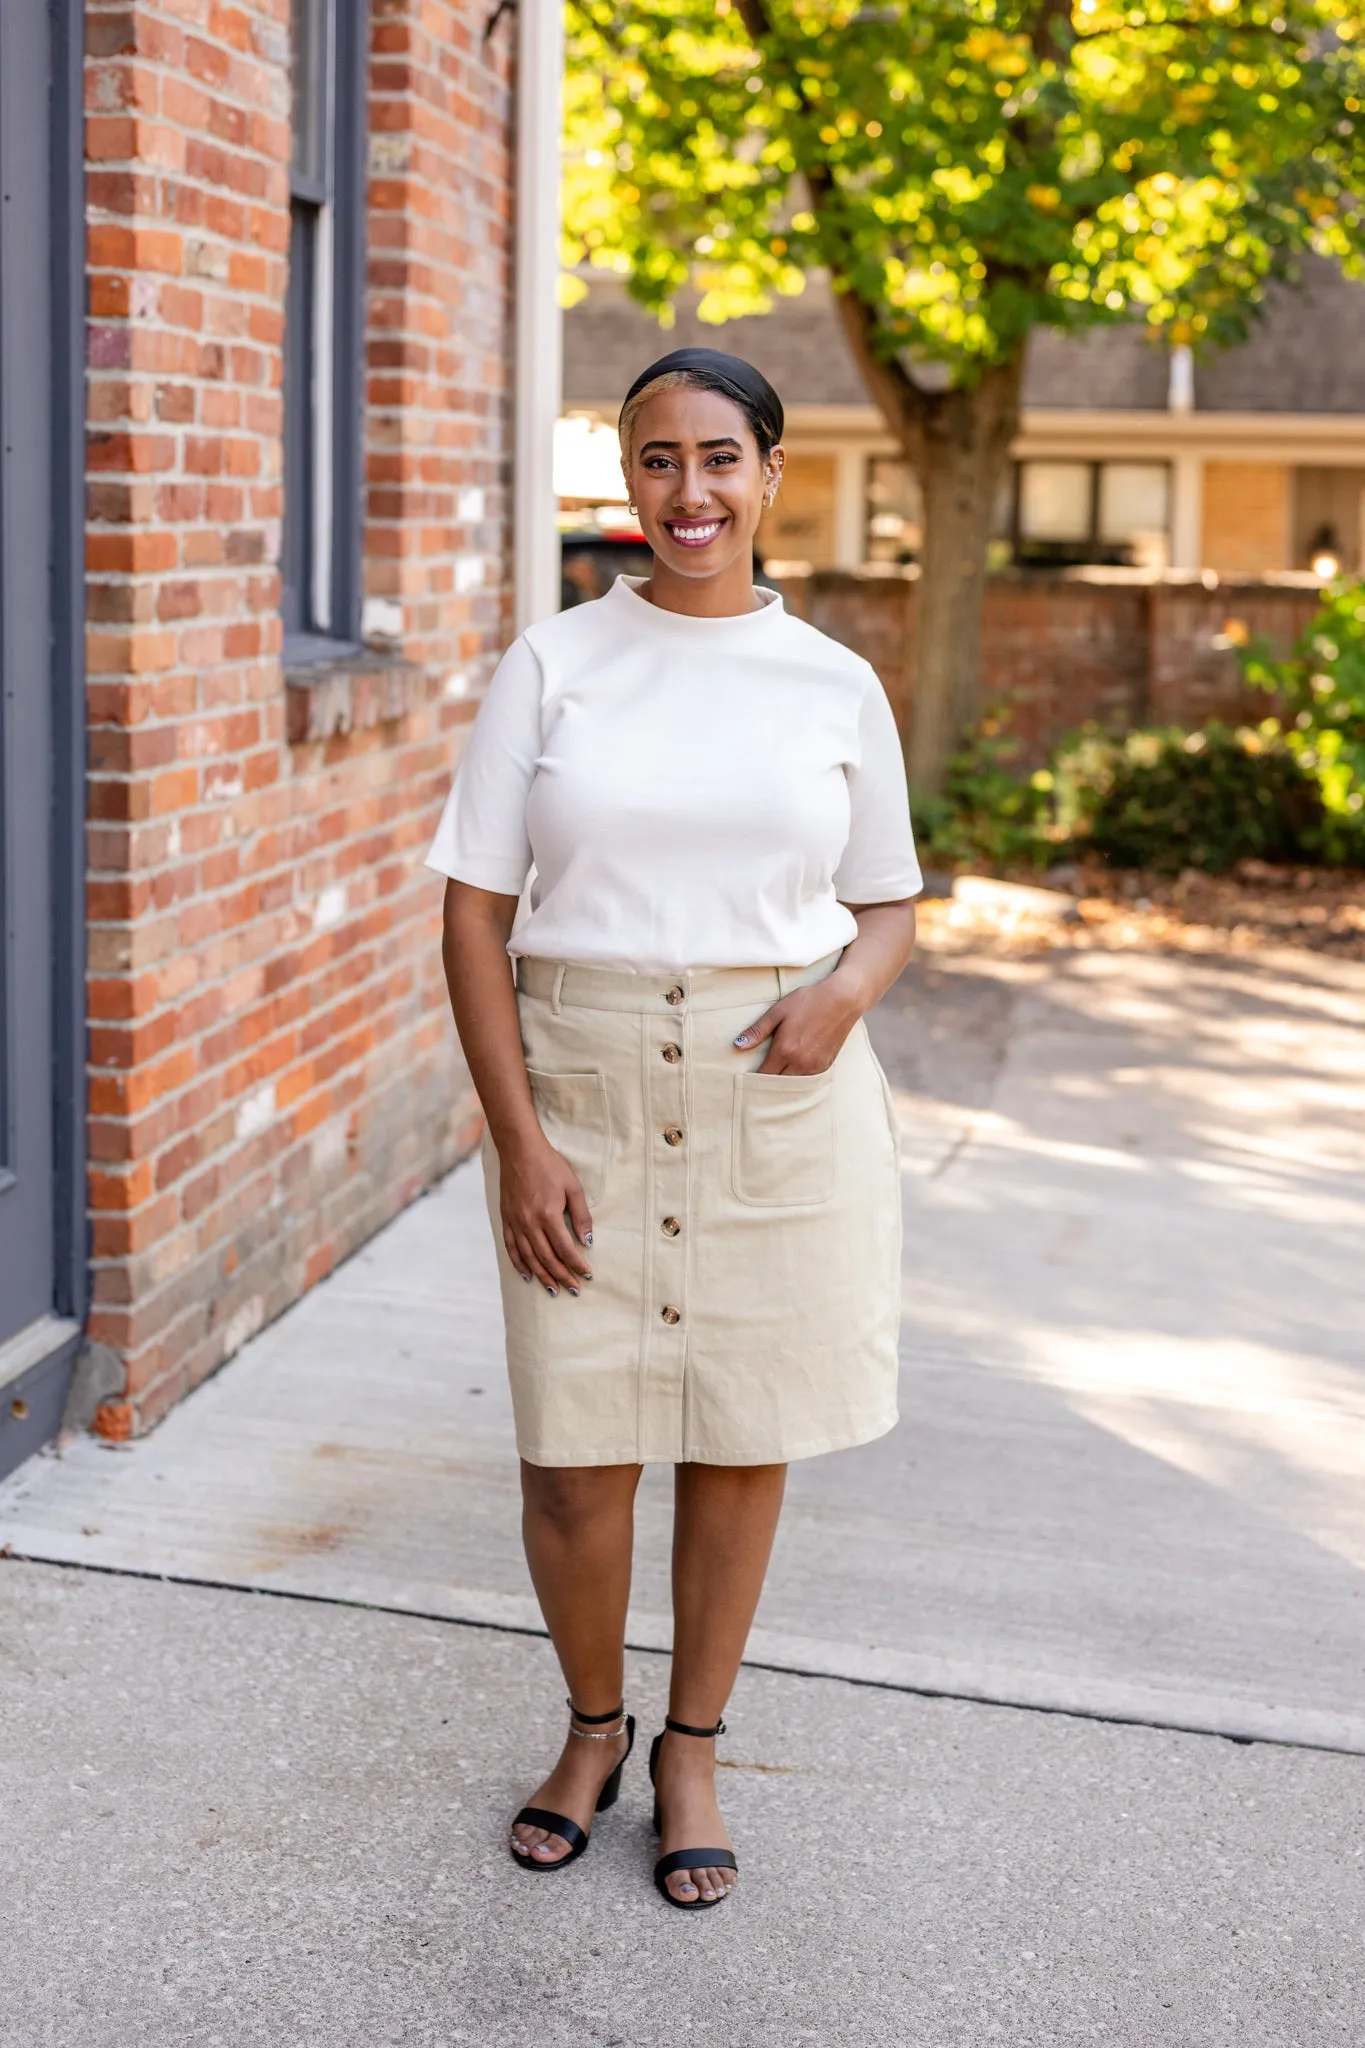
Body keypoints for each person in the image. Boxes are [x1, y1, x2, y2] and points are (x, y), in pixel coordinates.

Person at [428, 346, 920, 1910]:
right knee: (575, 1459)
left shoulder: (834, 681)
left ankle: (691, 1747)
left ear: (771, 474)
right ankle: (593, 1724)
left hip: (772, 1090)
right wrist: (518, 1138)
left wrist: (845, 995)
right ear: (625, 480)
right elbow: (472, 912)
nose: (689, 491)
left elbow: (891, 907)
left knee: (736, 1438)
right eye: (656, 461)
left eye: (720, 458)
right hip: (579, 1088)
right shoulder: (553, 662)